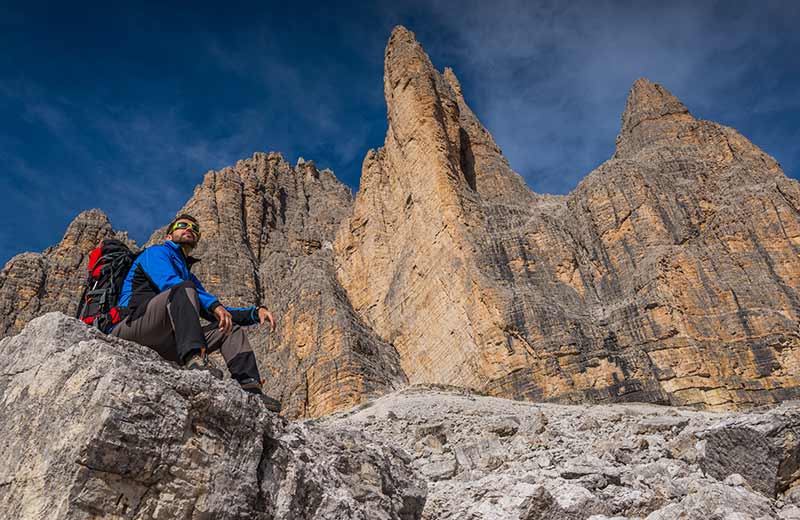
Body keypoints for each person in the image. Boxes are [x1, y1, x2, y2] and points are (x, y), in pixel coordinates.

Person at [111, 213, 281, 412]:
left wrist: (254, 313)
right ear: (168, 236)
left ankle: (251, 389)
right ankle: (194, 360)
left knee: (229, 329)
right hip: (132, 328)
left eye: (195, 229)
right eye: (183, 225)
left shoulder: (187, 276)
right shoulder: (155, 253)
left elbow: (215, 311)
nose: (189, 229)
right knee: (184, 288)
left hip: (166, 343)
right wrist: (213, 305)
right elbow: (169, 282)